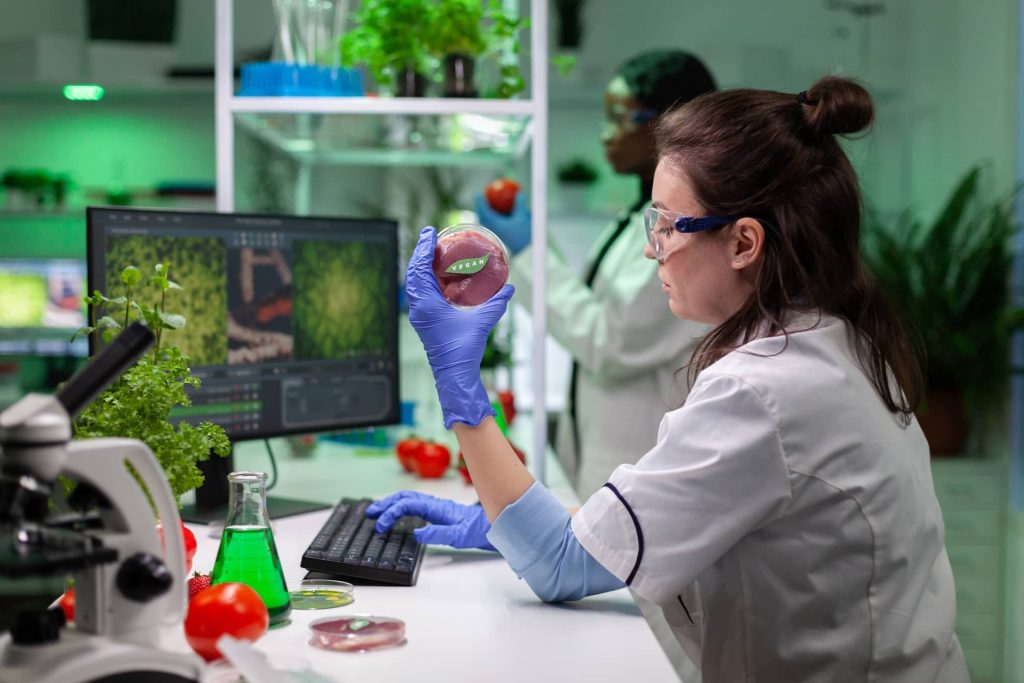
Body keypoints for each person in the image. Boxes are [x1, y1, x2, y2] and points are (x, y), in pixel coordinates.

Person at [370, 76, 969, 681]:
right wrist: (501, 524)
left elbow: (558, 567)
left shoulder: (764, 391)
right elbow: (659, 519)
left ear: (743, 242)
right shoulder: (835, 342)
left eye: (666, 225)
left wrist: (458, 383)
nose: (653, 249)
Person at [474, 50, 717, 497]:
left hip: (639, 467)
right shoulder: (636, 218)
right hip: (606, 459)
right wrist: (531, 248)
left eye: (619, 117)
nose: (606, 134)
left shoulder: (687, 233)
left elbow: (610, 342)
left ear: (667, 124)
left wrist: (527, 251)